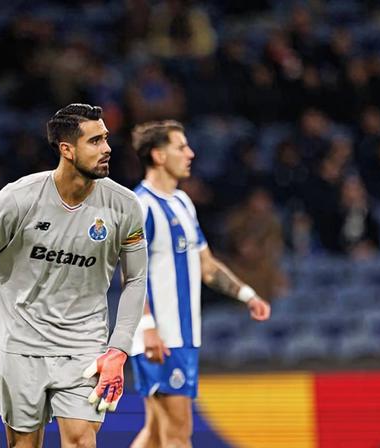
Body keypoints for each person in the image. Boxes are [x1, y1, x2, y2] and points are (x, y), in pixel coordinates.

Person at [0, 104, 148, 448]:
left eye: (106, 139)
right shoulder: (18, 198)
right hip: (21, 344)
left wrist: (118, 350)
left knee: (82, 441)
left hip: (83, 344)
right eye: (95, 141)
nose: (107, 148)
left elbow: (136, 280)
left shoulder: (124, 206)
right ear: (67, 150)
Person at [128, 121, 271, 448]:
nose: (190, 154)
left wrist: (247, 295)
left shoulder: (182, 202)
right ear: (159, 155)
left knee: (154, 432)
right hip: (162, 336)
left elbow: (206, 266)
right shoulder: (141, 205)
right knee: (178, 435)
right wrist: (148, 326)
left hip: (182, 334)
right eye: (181, 147)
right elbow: (130, 271)